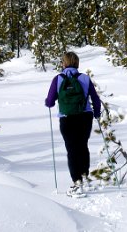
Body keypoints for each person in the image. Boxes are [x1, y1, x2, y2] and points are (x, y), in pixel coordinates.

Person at [45, 52, 101, 197]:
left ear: (63, 63)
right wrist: (97, 113)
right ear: (77, 63)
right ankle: (84, 176)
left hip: (67, 118)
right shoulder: (84, 78)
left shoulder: (58, 79)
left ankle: (77, 182)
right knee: (83, 146)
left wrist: (48, 102)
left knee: (72, 149)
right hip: (85, 117)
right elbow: (95, 99)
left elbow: (50, 101)